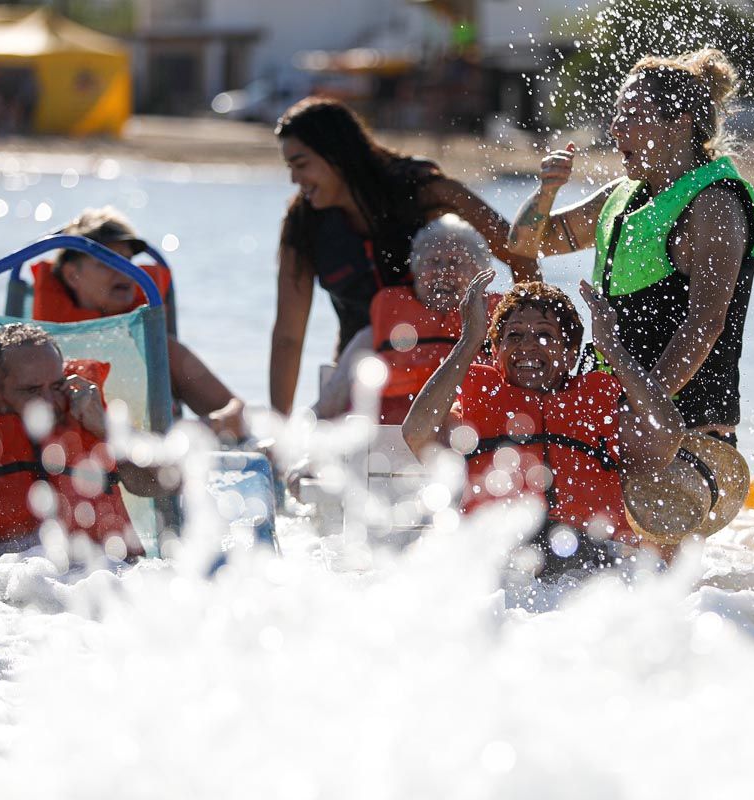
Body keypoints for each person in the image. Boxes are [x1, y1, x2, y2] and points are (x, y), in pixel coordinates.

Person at [507, 49, 754, 446]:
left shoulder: (715, 203)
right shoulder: (621, 198)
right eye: (615, 113)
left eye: (631, 114)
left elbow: (706, 324)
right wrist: (546, 192)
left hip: (684, 435)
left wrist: (637, 411)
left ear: (679, 124)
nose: (614, 127)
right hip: (616, 425)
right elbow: (523, 243)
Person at [402, 274, 686, 576]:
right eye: (513, 336)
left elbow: (668, 434)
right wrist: (469, 341)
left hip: (590, 564)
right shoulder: (468, 420)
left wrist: (612, 348)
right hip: (499, 562)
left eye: (545, 335)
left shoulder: (600, 415)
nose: (527, 345)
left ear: (570, 354)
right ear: (496, 353)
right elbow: (416, 432)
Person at [270, 97, 539, 416]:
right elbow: (288, 336)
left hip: (449, 374)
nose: (294, 180)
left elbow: (518, 251)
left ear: (337, 154)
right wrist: (280, 423)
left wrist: (527, 334)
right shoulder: (302, 225)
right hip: (361, 376)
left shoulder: (422, 190)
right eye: (290, 168)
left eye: (301, 165)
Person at [0, 324, 167, 562]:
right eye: (32, 390)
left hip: (104, 578)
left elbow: (163, 483)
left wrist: (107, 429)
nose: (50, 400)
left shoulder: (98, 433)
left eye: (57, 386)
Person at [31, 207, 246, 441]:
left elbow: (236, 412)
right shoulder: (36, 353)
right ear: (73, 275)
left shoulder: (159, 349)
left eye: (128, 261)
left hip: (150, 460)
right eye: (107, 261)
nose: (125, 272)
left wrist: (202, 429)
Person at [315, 214, 502, 424]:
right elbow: (329, 404)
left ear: (480, 273)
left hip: (466, 440)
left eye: (456, 262)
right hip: (385, 443)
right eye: (433, 261)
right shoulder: (377, 331)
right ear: (416, 270)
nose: (443, 271)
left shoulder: (500, 331)